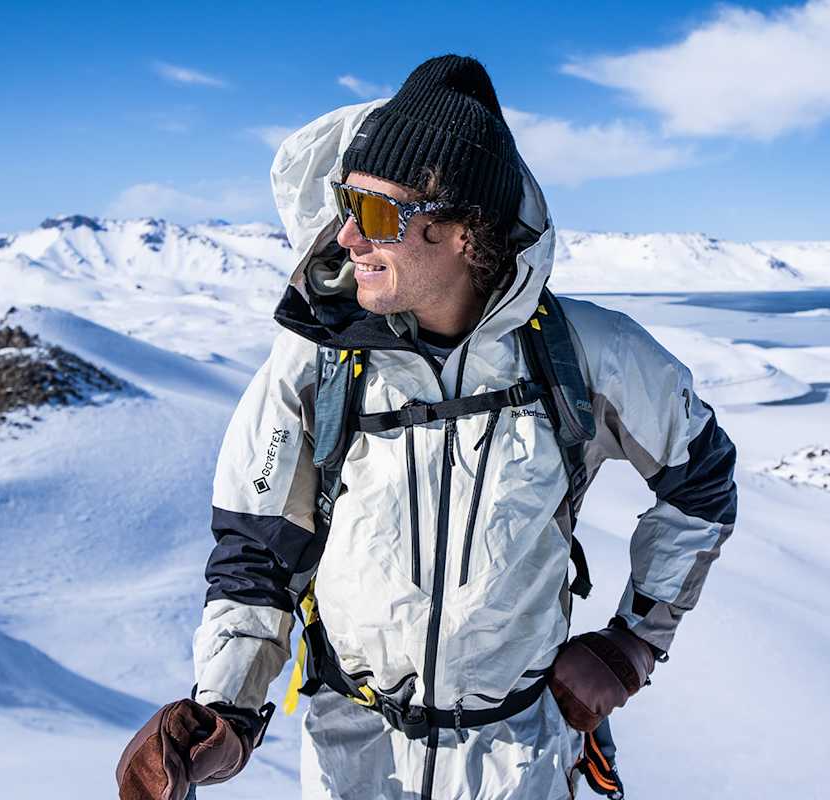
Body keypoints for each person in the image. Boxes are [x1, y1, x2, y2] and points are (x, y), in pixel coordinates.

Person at [116, 54, 737, 800]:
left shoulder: (587, 353)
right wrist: (225, 712)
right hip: (355, 761)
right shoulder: (316, 361)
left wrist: (633, 642)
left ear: (465, 231)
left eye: (377, 214)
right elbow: (258, 555)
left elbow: (699, 482)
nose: (347, 237)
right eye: (349, 204)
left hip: (522, 761)